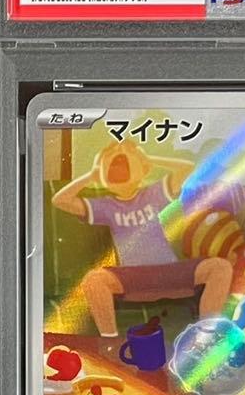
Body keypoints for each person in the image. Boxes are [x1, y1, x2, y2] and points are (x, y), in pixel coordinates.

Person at [52, 142, 232, 338]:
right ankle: (110, 340)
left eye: (125, 158)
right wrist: (91, 175)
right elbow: (60, 200)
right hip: (133, 276)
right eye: (110, 160)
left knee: (220, 267)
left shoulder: (153, 193)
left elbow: (187, 168)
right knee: (93, 280)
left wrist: (148, 159)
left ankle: (206, 333)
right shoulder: (105, 206)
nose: (118, 160)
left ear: (143, 169)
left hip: (170, 271)